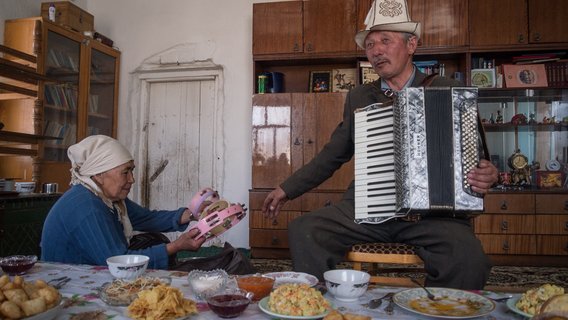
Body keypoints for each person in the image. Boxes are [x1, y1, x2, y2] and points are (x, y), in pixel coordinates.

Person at [262, 0, 498, 290]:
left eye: (386, 40)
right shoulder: (360, 96)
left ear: (411, 45)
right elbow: (333, 154)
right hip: (367, 209)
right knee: (305, 229)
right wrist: (287, 189)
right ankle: (319, 303)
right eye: (370, 44)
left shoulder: (446, 89)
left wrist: (489, 173)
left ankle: (441, 308)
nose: (376, 51)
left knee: (467, 258)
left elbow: (478, 159)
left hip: (432, 215)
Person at [41, 135, 206, 269]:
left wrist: (192, 213)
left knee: (156, 241)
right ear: (98, 174)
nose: (132, 179)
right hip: (66, 283)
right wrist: (176, 246)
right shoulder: (87, 206)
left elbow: (147, 218)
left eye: (131, 171)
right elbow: (118, 262)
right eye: (125, 172)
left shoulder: (108, 199)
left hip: (92, 271)